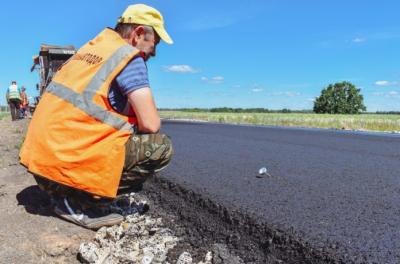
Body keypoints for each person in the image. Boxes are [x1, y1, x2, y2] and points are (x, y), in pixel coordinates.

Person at [20, 4, 174, 229]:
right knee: (161, 147)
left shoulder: (87, 52)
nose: (154, 52)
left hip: (41, 165)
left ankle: (68, 193)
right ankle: (80, 201)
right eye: (155, 43)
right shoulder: (130, 57)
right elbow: (151, 124)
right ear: (138, 33)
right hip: (61, 172)